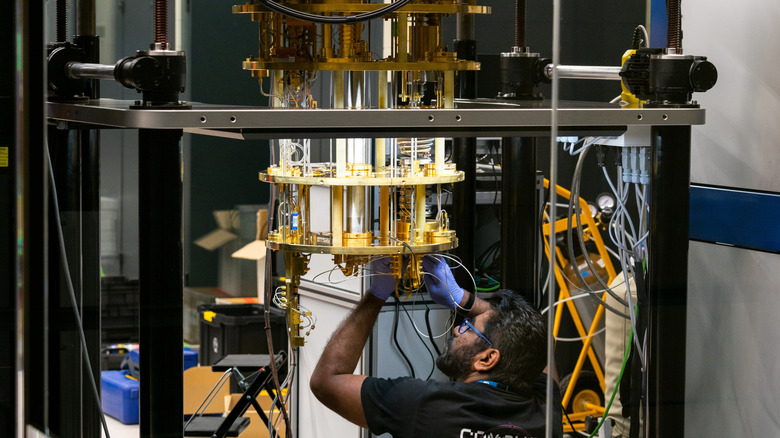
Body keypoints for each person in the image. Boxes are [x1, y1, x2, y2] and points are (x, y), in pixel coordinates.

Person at [310, 254, 563, 438]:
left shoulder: (424, 405)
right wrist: (462, 299)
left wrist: (376, 294)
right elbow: (540, 343)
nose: (456, 328)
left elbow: (327, 381)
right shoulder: (545, 414)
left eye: (468, 327)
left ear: (487, 359)